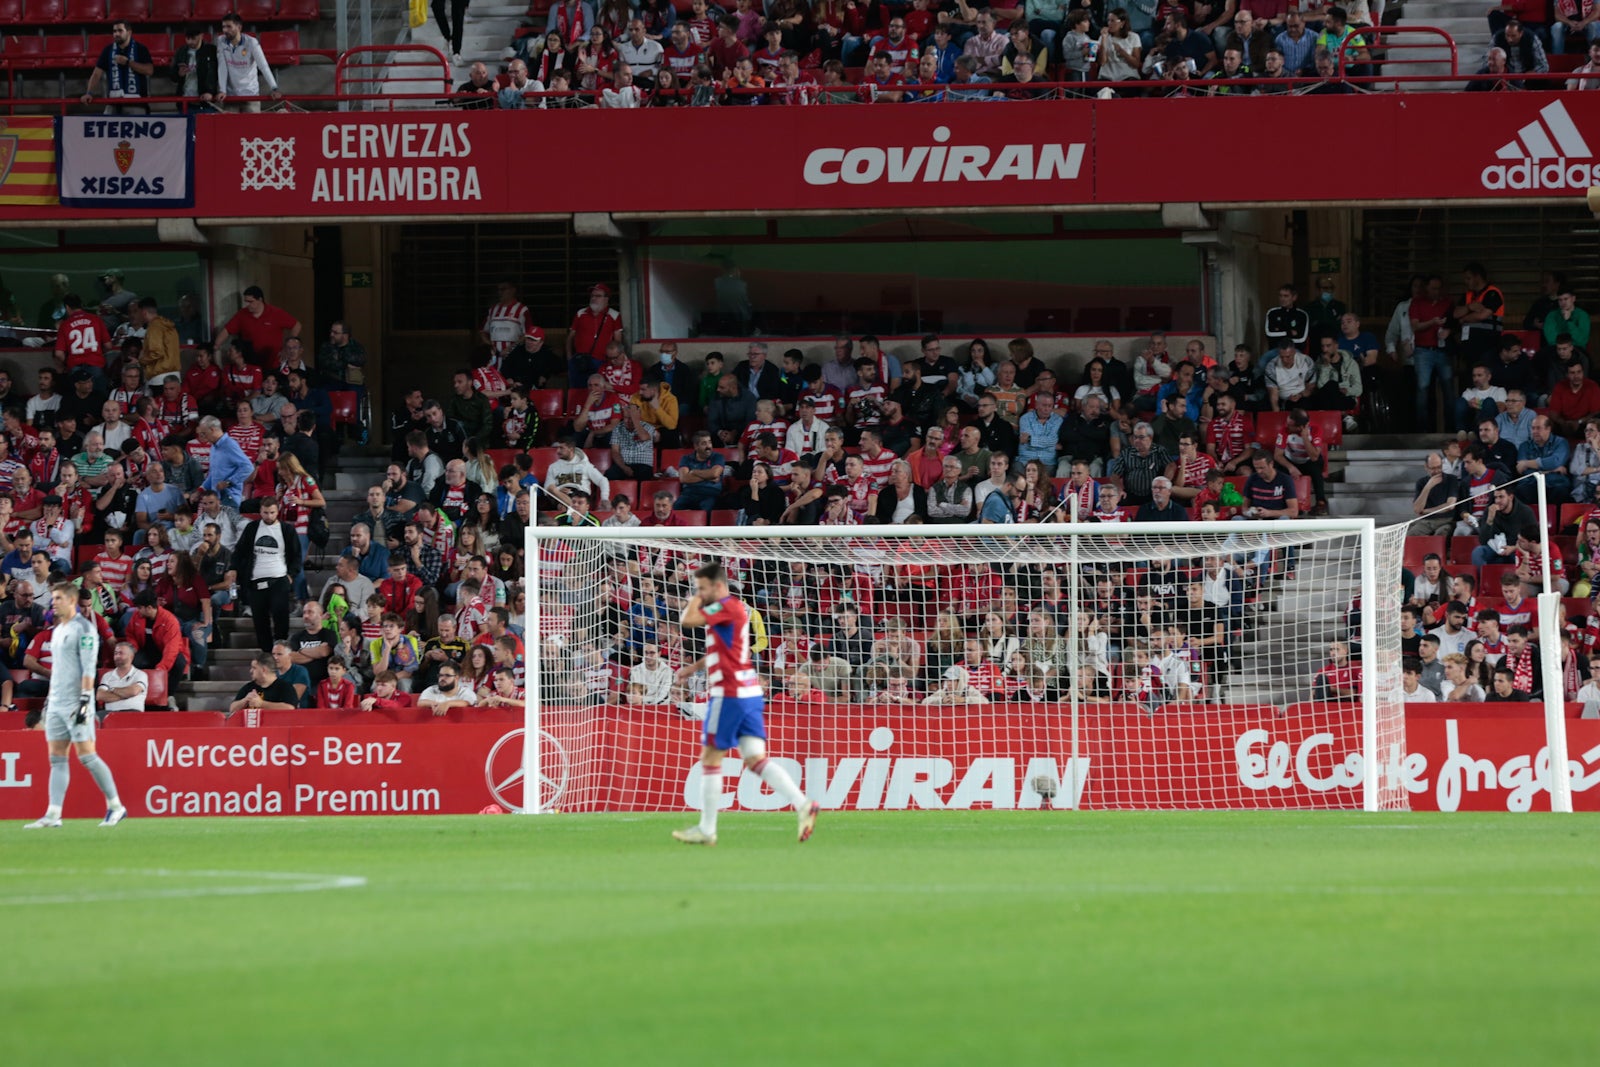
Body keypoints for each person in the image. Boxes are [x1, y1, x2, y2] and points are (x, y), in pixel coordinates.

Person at [673, 562, 819, 846]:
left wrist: (696, 598)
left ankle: (707, 829)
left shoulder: (725, 606)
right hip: (748, 690)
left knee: (711, 757)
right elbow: (721, 649)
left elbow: (687, 620)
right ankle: (803, 804)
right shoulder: (733, 610)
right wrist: (692, 668)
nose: (699, 592)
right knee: (755, 759)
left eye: (702, 587)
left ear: (717, 586)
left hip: (729, 692)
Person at [22, 582, 127, 829]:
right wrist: (51, 699)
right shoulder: (58, 630)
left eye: (58, 598)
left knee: (87, 756)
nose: (53, 602)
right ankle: (53, 814)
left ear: (71, 600)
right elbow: (60, 669)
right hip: (56, 702)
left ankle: (116, 806)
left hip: (76, 702)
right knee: (57, 759)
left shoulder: (84, 629)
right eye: (53, 598)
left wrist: (84, 700)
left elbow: (89, 667)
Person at [232, 497, 300, 653]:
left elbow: (296, 555)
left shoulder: (287, 530)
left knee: (280, 616)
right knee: (260, 620)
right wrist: (233, 568)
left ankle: (281, 650)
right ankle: (267, 653)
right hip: (256, 581)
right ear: (260, 511)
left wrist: (291, 575)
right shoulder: (252, 528)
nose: (269, 516)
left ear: (278, 511)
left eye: (272, 512)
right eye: (265, 512)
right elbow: (239, 551)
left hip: (279, 579)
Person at [82, 20, 154, 114]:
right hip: (113, 102)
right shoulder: (108, 50)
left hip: (136, 103)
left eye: (120, 31)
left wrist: (128, 62)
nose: (116, 34)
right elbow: (96, 74)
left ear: (129, 32)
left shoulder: (141, 49)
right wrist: (89, 93)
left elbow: (149, 70)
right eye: (114, 31)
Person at [216, 12, 282, 111]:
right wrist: (222, 90)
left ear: (239, 27)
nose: (225, 30)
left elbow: (263, 66)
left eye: (229, 27)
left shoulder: (251, 42)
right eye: (223, 27)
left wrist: (274, 88)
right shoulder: (221, 41)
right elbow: (222, 66)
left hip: (251, 95)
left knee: (253, 122)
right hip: (231, 96)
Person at [229, 653, 301, 714]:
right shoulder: (249, 687)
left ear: (263, 670)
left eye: (254, 668)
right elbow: (232, 709)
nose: (250, 671)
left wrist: (261, 704)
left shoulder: (285, 687)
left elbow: (290, 708)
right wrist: (245, 700)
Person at [97, 640, 149, 714]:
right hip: (110, 713)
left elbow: (133, 691)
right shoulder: (107, 676)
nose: (117, 656)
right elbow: (100, 695)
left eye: (121, 653)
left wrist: (112, 690)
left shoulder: (141, 674)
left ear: (131, 656)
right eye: (116, 653)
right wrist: (126, 694)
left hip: (133, 712)